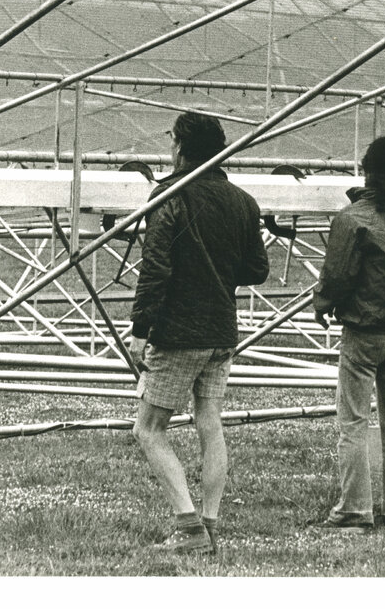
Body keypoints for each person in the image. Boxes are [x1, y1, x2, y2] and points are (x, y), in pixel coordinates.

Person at [127, 110, 269, 554]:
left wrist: (139, 328)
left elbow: (156, 267)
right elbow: (257, 269)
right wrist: (216, 269)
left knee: (148, 428)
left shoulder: (169, 195)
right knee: (210, 422)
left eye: (172, 140)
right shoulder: (242, 201)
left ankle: (187, 527)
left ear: (182, 148)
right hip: (222, 331)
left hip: (180, 330)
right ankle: (210, 522)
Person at [312, 135, 385, 531]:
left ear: (365, 170)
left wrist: (324, 305)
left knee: (353, 423)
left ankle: (354, 509)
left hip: (365, 334)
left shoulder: (352, 218)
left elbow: (338, 275)